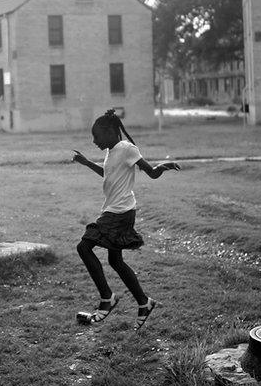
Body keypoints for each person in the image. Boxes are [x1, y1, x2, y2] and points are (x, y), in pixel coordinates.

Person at [71, 109, 181, 331]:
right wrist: (86, 163)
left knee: (84, 246)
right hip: (115, 210)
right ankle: (144, 302)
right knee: (115, 261)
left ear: (111, 131)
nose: (94, 141)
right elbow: (108, 174)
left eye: (96, 136)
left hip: (119, 212)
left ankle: (107, 298)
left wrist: (163, 166)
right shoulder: (113, 150)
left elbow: (150, 172)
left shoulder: (126, 148)